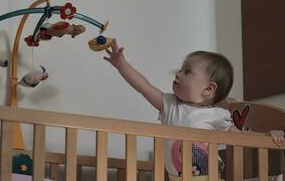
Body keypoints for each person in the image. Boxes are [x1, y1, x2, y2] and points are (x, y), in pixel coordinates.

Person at [103, 39, 284, 179]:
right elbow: (143, 85)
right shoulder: (170, 105)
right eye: (180, 69)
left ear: (208, 89)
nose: (178, 74)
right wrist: (122, 65)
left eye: (187, 72)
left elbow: (240, 136)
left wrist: (266, 136)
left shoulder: (217, 115)